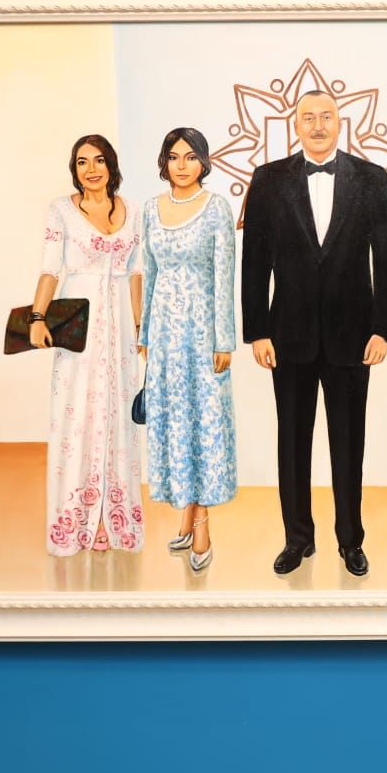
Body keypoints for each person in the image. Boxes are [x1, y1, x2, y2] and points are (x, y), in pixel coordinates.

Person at [241, 90, 387, 577]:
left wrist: (384, 329)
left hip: (354, 338)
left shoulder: (372, 177)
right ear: (296, 124)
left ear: (339, 121)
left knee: (349, 445)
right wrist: (257, 332)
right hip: (288, 336)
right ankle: (297, 539)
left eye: (326, 116)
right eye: (308, 117)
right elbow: (254, 262)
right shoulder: (268, 179)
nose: (317, 125)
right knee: (292, 443)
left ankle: (351, 541)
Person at [32, 134, 146, 555]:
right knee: (77, 415)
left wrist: (141, 327)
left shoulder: (133, 210)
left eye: (99, 160)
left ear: (111, 165)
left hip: (120, 327)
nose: (91, 169)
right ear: (74, 169)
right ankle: (77, 518)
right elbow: (50, 269)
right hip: (79, 324)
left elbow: (137, 272)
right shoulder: (61, 210)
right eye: (82, 162)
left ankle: (111, 520)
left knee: (118, 413)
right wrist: (37, 317)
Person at [137, 128, 237, 572]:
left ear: (203, 162)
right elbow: (150, 272)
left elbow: (224, 276)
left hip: (202, 335)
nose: (182, 165)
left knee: (203, 425)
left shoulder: (217, 208)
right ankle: (184, 513)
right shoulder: (150, 210)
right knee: (175, 424)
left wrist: (224, 340)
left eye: (191, 156)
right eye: (174, 156)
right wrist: (144, 334)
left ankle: (202, 525)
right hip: (163, 337)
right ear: (164, 162)